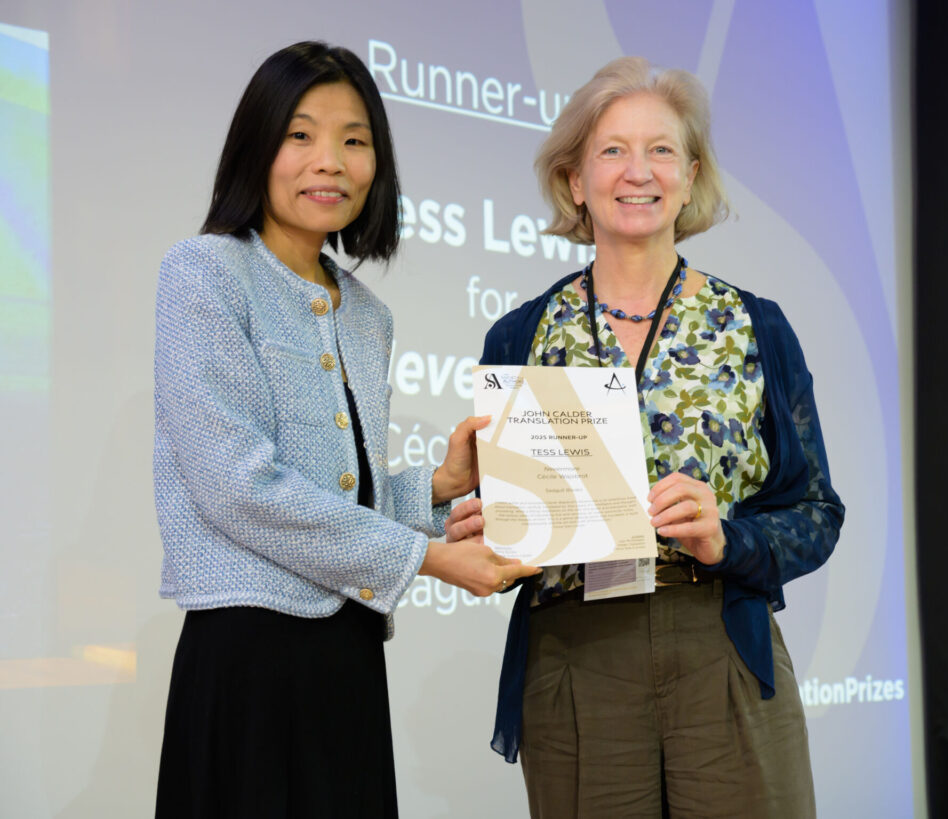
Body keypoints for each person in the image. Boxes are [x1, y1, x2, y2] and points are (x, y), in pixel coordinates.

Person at [447, 57, 844, 817]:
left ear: (691, 177)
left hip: (720, 642)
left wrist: (730, 539)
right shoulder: (519, 334)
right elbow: (497, 529)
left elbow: (817, 513)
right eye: (612, 150)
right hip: (576, 654)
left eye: (662, 149)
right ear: (574, 181)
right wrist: (477, 528)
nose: (639, 171)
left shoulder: (756, 326)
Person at [152, 41, 538, 818]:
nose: (329, 161)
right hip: (245, 657)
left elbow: (342, 493)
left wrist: (439, 486)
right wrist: (429, 557)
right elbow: (240, 488)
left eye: (354, 140)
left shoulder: (367, 314)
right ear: (256, 146)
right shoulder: (203, 273)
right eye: (300, 134)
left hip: (348, 654)